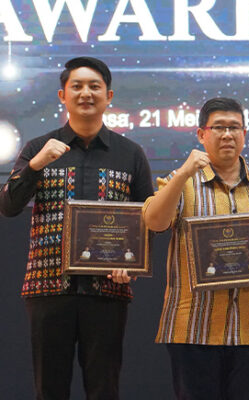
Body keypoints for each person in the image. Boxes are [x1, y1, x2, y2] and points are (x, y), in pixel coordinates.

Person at [0, 56, 153, 399]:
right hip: (48, 289)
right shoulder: (38, 148)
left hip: (107, 291)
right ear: (62, 95)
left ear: (108, 96)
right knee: (49, 389)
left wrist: (132, 265)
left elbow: (149, 219)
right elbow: (8, 206)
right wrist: (36, 165)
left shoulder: (130, 153)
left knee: (104, 388)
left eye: (94, 86)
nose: (86, 93)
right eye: (77, 86)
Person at [142, 97, 249, 399]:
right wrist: (183, 173)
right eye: (218, 127)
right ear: (201, 134)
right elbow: (154, 222)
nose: (227, 134)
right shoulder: (181, 180)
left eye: (234, 127)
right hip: (193, 326)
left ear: (244, 134)